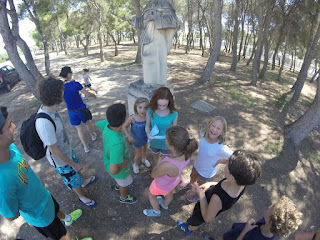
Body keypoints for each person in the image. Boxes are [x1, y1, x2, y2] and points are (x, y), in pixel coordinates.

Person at [0, 106, 92, 240]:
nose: (14, 126)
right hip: (40, 215)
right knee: (62, 235)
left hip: (44, 197)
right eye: (9, 126)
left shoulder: (10, 148)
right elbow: (10, 215)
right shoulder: (2, 183)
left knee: (56, 209)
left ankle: (67, 219)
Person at [36, 77, 97, 208]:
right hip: (60, 159)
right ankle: (81, 196)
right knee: (72, 178)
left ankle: (84, 181)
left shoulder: (52, 109)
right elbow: (54, 150)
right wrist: (72, 164)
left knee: (77, 170)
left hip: (66, 151)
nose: (65, 92)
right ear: (56, 95)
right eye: (62, 90)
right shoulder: (44, 122)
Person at [177, 150, 262, 235]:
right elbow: (221, 184)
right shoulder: (241, 182)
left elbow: (207, 218)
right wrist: (210, 184)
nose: (225, 163)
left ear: (232, 178)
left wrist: (201, 195)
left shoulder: (218, 198)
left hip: (203, 212)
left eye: (227, 165)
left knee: (196, 221)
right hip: (211, 204)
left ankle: (189, 229)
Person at [143, 126, 198, 217]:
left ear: (172, 147)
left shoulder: (167, 165)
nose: (165, 140)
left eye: (166, 139)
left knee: (151, 195)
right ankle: (165, 205)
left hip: (161, 184)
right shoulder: (187, 153)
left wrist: (158, 163)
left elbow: (153, 174)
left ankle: (156, 211)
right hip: (173, 181)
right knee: (168, 192)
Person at [180, 116, 233, 202]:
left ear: (222, 132)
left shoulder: (221, 147)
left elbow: (235, 157)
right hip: (197, 164)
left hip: (206, 171)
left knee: (201, 185)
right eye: (213, 125)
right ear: (209, 125)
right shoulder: (203, 135)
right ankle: (190, 184)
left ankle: (198, 195)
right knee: (192, 176)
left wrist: (222, 161)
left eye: (218, 128)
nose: (214, 129)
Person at [204, 196, 302, 240]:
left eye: (270, 208)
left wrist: (245, 231)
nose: (269, 207)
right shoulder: (268, 225)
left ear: (270, 222)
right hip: (232, 235)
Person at [97, 103, 137, 204]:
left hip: (108, 161)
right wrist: (122, 166)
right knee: (124, 183)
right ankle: (123, 197)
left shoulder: (106, 125)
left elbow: (97, 124)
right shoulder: (117, 144)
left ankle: (118, 185)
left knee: (119, 181)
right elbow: (113, 170)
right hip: (120, 171)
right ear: (124, 121)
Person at [59, 66, 97, 153]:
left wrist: (68, 103)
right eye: (71, 72)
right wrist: (93, 95)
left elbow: (62, 99)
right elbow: (86, 94)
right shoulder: (76, 84)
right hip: (81, 110)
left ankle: (85, 147)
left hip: (71, 112)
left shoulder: (61, 87)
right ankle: (92, 136)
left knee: (79, 129)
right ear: (69, 74)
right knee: (87, 124)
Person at [145, 87, 178, 166]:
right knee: (156, 157)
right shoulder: (150, 111)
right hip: (154, 141)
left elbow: (174, 130)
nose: (162, 108)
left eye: (164, 105)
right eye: (159, 105)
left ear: (169, 102)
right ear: (155, 101)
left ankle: (162, 171)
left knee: (165, 158)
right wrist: (148, 133)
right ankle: (157, 168)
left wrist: (173, 141)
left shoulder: (173, 113)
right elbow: (147, 126)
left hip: (166, 142)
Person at [122, 97, 150, 174]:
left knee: (145, 149)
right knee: (139, 153)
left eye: (145, 108)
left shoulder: (148, 116)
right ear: (135, 107)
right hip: (136, 140)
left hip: (146, 138)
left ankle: (144, 159)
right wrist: (128, 136)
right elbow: (124, 126)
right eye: (140, 107)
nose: (143, 110)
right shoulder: (132, 118)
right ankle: (135, 164)